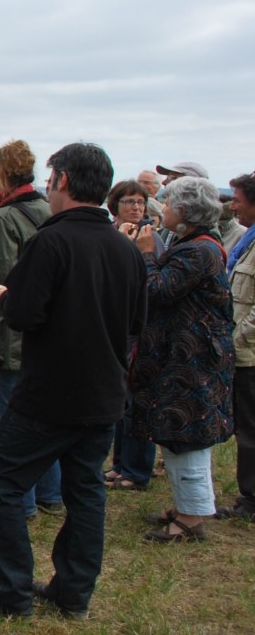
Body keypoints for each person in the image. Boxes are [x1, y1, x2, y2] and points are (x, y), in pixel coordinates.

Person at [0, 142, 146, 620]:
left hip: (51, 393)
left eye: (51, 177)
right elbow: (137, 321)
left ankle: (10, 591)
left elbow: (24, 314)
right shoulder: (125, 248)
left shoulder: (51, 242)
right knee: (86, 489)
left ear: (60, 181)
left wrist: (3, 295)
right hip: (105, 391)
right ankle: (73, 593)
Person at [127, 176, 235, 542]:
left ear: (185, 212)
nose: (163, 209)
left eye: (169, 204)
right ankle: (189, 505)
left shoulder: (198, 251)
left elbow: (156, 290)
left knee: (186, 435)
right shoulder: (192, 245)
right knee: (177, 435)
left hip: (191, 362)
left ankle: (191, 517)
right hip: (185, 357)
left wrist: (144, 254)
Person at [0, 140, 63, 516]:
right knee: (41, 419)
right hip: (44, 328)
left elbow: (2, 280)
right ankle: (51, 495)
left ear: (1, 174)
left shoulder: (5, 218)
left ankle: (23, 503)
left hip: (9, 330)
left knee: (14, 421)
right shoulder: (45, 209)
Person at [102, 179, 160, 491]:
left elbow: (152, 283)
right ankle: (120, 464)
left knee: (136, 400)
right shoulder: (111, 232)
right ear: (115, 205)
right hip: (115, 325)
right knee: (120, 400)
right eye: (129, 202)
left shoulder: (150, 237)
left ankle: (137, 469)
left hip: (138, 329)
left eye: (140, 202)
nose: (136, 208)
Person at [220, 172, 255, 522]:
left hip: (250, 353)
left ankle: (252, 500)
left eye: (238, 199)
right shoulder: (249, 240)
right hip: (244, 350)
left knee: (250, 430)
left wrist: (237, 338)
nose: (232, 205)